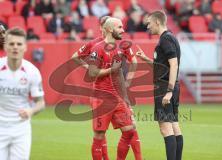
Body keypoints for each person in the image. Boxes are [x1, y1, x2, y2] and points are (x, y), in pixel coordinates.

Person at [71, 16, 141, 160]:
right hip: (102, 97)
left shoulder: (121, 47)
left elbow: (128, 66)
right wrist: (112, 70)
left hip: (117, 97)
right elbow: (92, 73)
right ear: (110, 29)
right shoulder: (97, 47)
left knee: (129, 130)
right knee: (100, 134)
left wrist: (126, 86)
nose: (123, 30)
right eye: (120, 27)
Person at [136, 10, 183, 160]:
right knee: (174, 126)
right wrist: (146, 59)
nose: (148, 27)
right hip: (172, 85)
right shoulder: (171, 37)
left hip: (165, 88)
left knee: (165, 128)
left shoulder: (165, 40)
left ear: (157, 21)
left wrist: (168, 91)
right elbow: (164, 66)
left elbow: (174, 65)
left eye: (149, 23)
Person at [0, 27, 45, 160]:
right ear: (6, 46)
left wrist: (31, 111)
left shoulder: (32, 71)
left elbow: (40, 102)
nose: (15, 47)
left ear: (25, 47)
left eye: (19, 44)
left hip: (21, 129)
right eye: (11, 44)